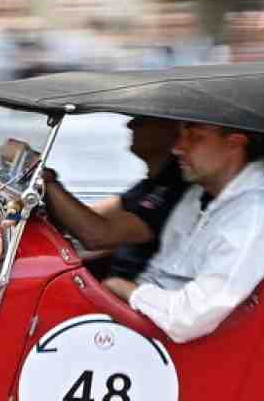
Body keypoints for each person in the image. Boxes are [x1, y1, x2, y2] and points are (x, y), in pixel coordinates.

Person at [105, 122, 264, 344]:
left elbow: (190, 320)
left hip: (220, 349)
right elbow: (159, 273)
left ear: (234, 143)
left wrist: (126, 290)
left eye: (194, 137)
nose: (177, 148)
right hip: (159, 332)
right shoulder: (197, 197)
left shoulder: (259, 216)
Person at [38, 116, 189, 283]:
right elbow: (85, 218)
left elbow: (97, 236)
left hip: (131, 296)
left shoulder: (177, 189)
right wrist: (41, 190)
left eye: (142, 120)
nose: (130, 124)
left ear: (172, 130)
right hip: (112, 286)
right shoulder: (152, 184)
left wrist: (49, 181)